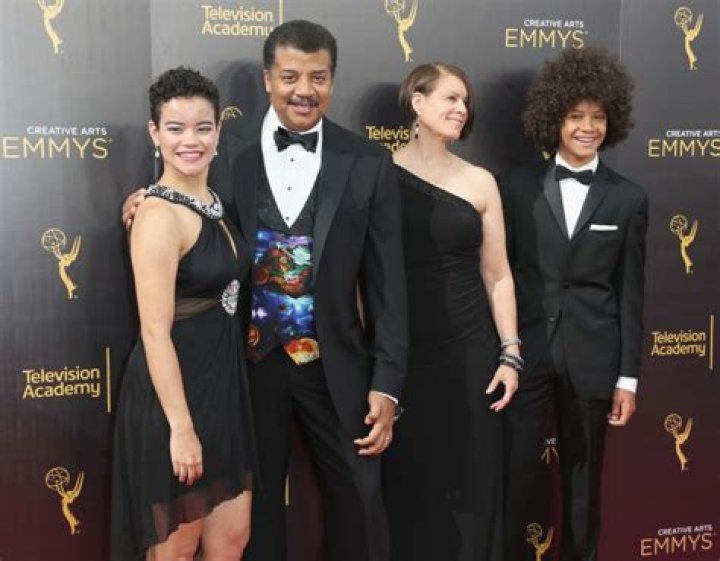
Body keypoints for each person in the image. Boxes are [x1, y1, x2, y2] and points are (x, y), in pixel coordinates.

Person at [123, 20, 407, 561]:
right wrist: (142, 202)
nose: (305, 90)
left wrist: (388, 384)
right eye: (291, 76)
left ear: (332, 80)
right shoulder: (221, 150)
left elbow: (387, 283)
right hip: (242, 368)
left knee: (360, 501)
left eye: (318, 77)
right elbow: (181, 203)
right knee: (250, 520)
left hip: (335, 366)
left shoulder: (368, 161)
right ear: (267, 79)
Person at [499, 47, 648, 561]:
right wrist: (504, 350)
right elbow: (500, 275)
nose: (588, 128)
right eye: (576, 116)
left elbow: (631, 292)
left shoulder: (628, 198)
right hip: (526, 357)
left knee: (584, 488)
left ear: (613, 121)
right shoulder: (515, 187)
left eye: (598, 117)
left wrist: (627, 378)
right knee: (513, 480)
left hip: (593, 360)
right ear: (554, 119)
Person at [111, 67, 257, 561]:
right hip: (175, 396)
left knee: (231, 539)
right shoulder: (156, 216)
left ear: (218, 132)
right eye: (175, 128)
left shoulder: (216, 202)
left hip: (223, 388)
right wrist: (181, 428)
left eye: (202, 127)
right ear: (155, 133)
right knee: (176, 549)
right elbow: (155, 332)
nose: (190, 141)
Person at [382, 63, 520, 561]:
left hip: (471, 355)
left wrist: (510, 353)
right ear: (417, 103)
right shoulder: (379, 174)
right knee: (409, 485)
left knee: (472, 486)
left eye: (466, 102)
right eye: (451, 98)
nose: (462, 109)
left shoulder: (480, 182)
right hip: (403, 357)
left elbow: (498, 275)